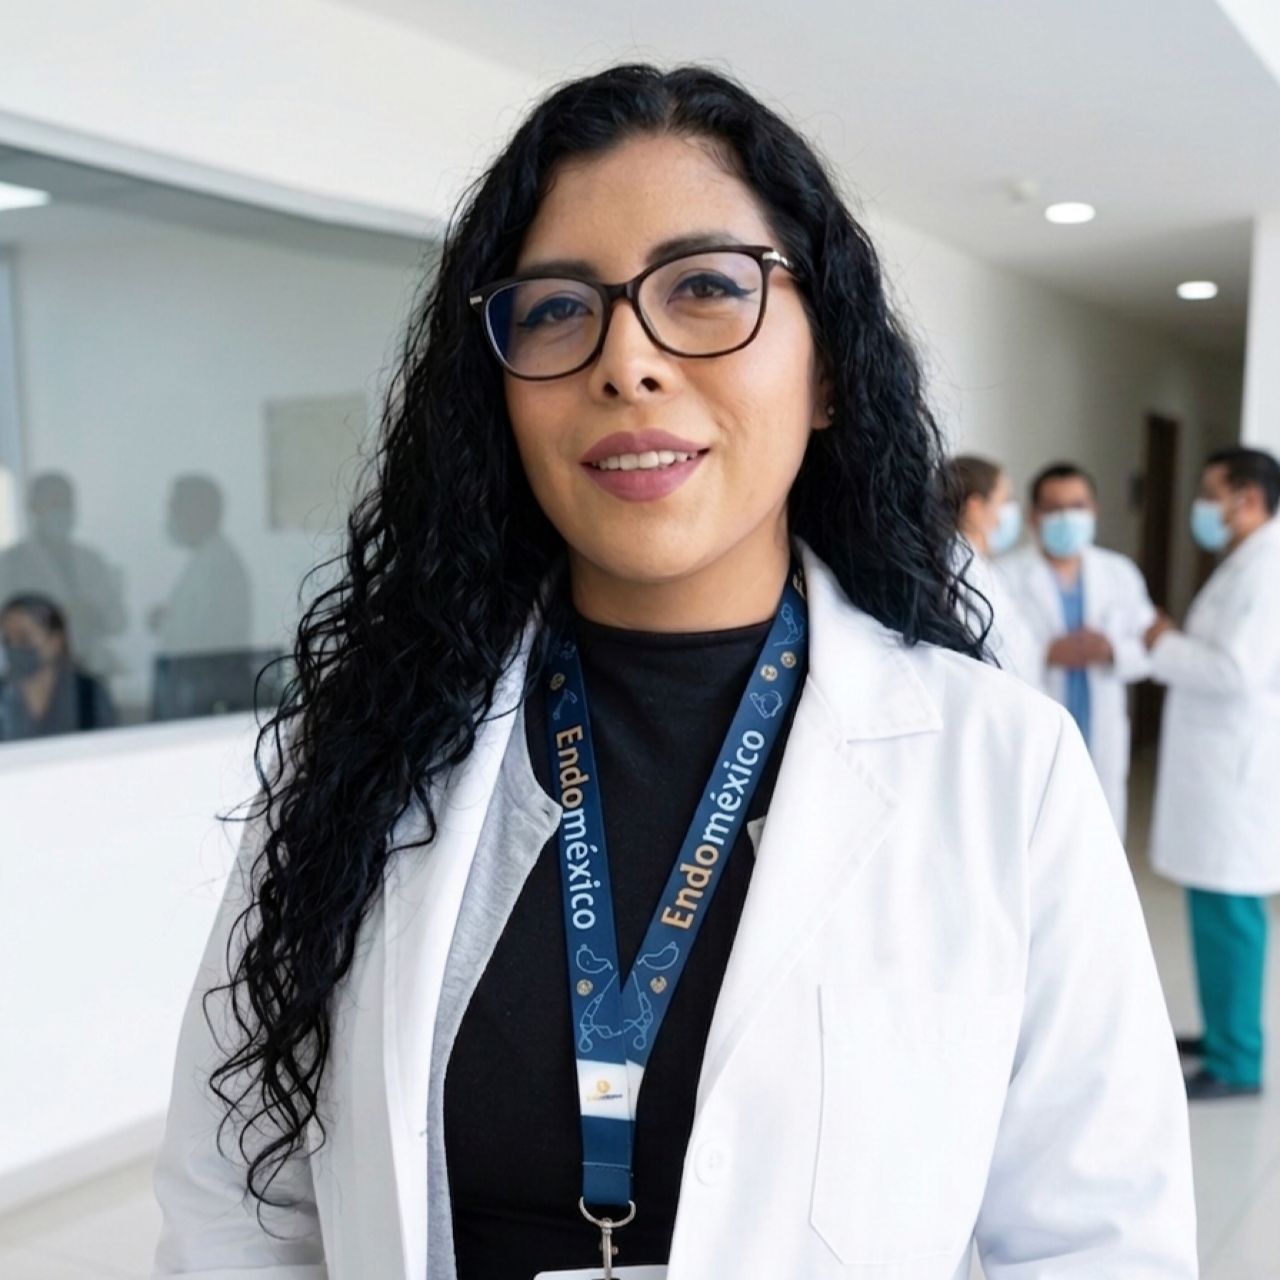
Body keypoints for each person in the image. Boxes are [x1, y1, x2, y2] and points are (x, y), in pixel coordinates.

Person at [154, 66, 1195, 1279]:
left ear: (827, 368)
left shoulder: (999, 767)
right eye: (556, 307)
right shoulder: (362, 747)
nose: (626, 362)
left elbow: (1094, 1240)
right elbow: (240, 1201)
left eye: (703, 287)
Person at [1145, 446, 1280, 1101]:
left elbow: (1234, 671)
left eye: (1210, 492)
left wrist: (1161, 645)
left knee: (1231, 916)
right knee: (1213, 911)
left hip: (1237, 776)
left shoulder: (1267, 570)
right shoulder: (1247, 561)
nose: (1202, 506)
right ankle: (1223, 1033)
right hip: (1220, 771)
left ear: (1246, 498)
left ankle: (1236, 1060)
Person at [998, 462, 1156, 835]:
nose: (1067, 517)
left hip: (1102, 726)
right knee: (1039, 830)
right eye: (1054, 508)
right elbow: (991, 655)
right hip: (1036, 726)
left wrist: (1112, 650)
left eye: (1077, 506)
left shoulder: (1120, 573)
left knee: (1100, 834)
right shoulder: (1003, 574)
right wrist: (1046, 653)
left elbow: (1149, 649)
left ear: (1094, 510)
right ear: (1034, 517)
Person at [0, 472, 127, 679]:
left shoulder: (92, 560)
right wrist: (55, 618)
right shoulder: (11, 563)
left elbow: (118, 620)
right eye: (52, 503)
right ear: (33, 508)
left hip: (90, 669)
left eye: (66, 504)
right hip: (34, 675)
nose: (60, 511)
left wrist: (93, 615)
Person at [944, 454, 1042, 684]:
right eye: (1005, 500)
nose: (1011, 511)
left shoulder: (974, 564)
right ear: (975, 507)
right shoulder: (961, 570)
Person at [0, 593, 117, 740]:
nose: (14, 647)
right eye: (8, 640)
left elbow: (108, 746)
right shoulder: (4, 694)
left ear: (55, 641)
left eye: (24, 638)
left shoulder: (88, 694)